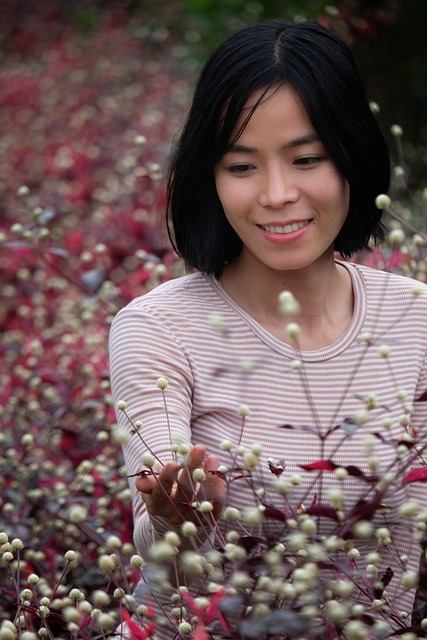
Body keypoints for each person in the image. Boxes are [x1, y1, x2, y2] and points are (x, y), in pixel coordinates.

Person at [109, 18, 427, 638]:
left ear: (353, 158)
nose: (277, 194)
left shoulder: (416, 319)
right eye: (243, 166)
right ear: (211, 177)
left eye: (306, 159)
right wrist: (180, 511)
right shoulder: (157, 327)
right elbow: (157, 532)